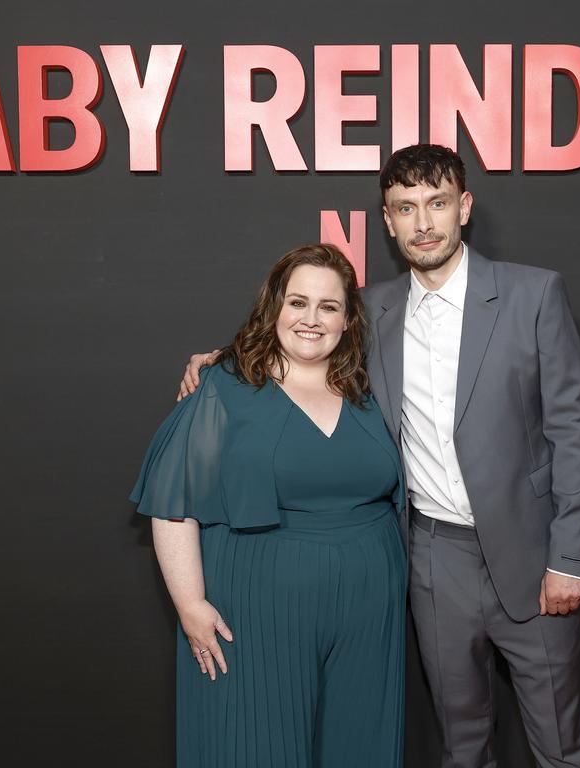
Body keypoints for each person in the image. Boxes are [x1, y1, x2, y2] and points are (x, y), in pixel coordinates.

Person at [180, 144, 580, 768]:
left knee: (560, 742)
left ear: (464, 208)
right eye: (406, 208)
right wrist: (224, 359)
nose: (423, 223)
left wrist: (573, 557)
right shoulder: (372, 310)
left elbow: (575, 430)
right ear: (387, 220)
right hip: (431, 558)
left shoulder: (532, 295)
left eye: (436, 204)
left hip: (533, 554)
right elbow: (301, 335)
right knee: (462, 742)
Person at [131, 244, 407, 768]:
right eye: (297, 302)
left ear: (347, 319)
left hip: (371, 605)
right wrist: (190, 604)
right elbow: (173, 503)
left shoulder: (369, 386)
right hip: (255, 604)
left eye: (328, 306)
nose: (311, 319)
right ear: (273, 307)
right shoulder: (224, 385)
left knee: (358, 746)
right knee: (253, 743)